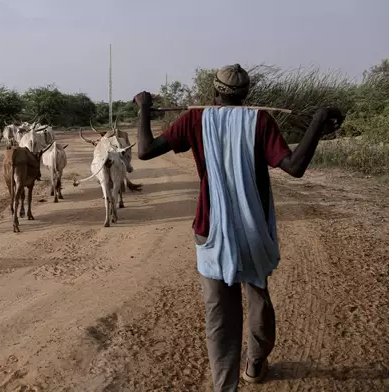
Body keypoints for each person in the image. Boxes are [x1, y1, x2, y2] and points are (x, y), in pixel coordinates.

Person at [133, 64, 344, 392]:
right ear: (247, 94)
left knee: (220, 314)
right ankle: (256, 362)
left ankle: (224, 387)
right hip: (253, 227)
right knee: (258, 293)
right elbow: (295, 167)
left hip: (211, 227)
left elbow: (145, 151)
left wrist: (144, 109)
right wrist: (316, 123)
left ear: (214, 93)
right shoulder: (259, 120)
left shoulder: (196, 119)